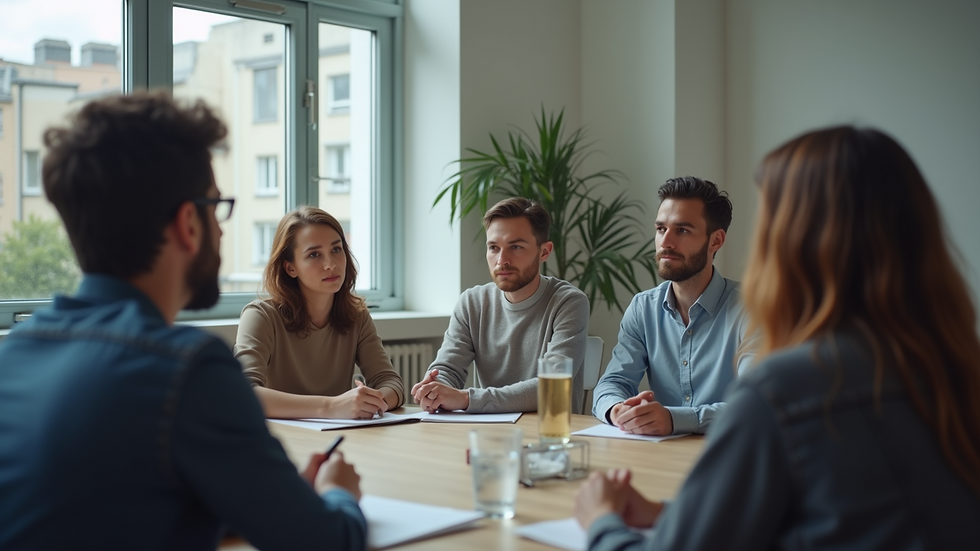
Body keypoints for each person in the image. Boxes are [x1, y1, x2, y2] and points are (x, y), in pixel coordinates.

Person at [574, 126, 980, 549]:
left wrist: (602, 520)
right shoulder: (950, 369)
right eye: (661, 228)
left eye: (771, 217)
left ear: (795, 239)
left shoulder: (787, 392)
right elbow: (834, 517)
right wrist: (670, 513)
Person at [0, 91, 367, 550]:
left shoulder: (15, 352)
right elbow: (326, 541)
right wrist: (338, 493)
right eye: (216, 207)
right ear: (188, 224)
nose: (221, 228)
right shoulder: (187, 370)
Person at [592, 176, 750, 435]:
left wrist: (675, 419)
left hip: (732, 456)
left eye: (682, 230)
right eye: (661, 229)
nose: (665, 242)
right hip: (660, 455)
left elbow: (755, 403)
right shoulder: (643, 308)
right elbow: (613, 382)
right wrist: (618, 409)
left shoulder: (750, 308)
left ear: (716, 241)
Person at [411, 197, 590, 413]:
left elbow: (552, 386)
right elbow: (448, 368)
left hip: (550, 436)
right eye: (494, 247)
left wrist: (468, 399)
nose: (501, 260)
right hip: (489, 435)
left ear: (544, 251)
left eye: (515, 246)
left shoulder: (569, 302)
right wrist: (435, 389)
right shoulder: (472, 303)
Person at [234, 207, 405, 420]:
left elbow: (391, 383)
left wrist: (371, 402)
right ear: (290, 268)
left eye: (336, 249)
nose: (330, 264)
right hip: (279, 441)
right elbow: (241, 394)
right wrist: (331, 407)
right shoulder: (260, 316)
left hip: (339, 437)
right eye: (314, 254)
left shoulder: (356, 315)